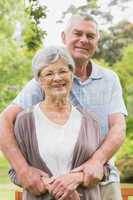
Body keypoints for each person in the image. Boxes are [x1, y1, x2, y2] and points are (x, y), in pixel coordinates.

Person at [0, 13, 127, 199]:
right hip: (52, 186)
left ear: (97, 41)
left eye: (90, 36)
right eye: (77, 33)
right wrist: (23, 169)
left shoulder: (109, 79)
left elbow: (118, 127)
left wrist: (96, 162)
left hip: (100, 179)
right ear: (63, 37)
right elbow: (4, 120)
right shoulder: (45, 81)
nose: (83, 40)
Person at [9, 46, 106, 200]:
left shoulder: (90, 121)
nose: (57, 78)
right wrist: (54, 186)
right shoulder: (24, 121)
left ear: (71, 75)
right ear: (39, 81)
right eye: (49, 73)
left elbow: (103, 169)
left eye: (62, 71)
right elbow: (15, 172)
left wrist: (76, 178)